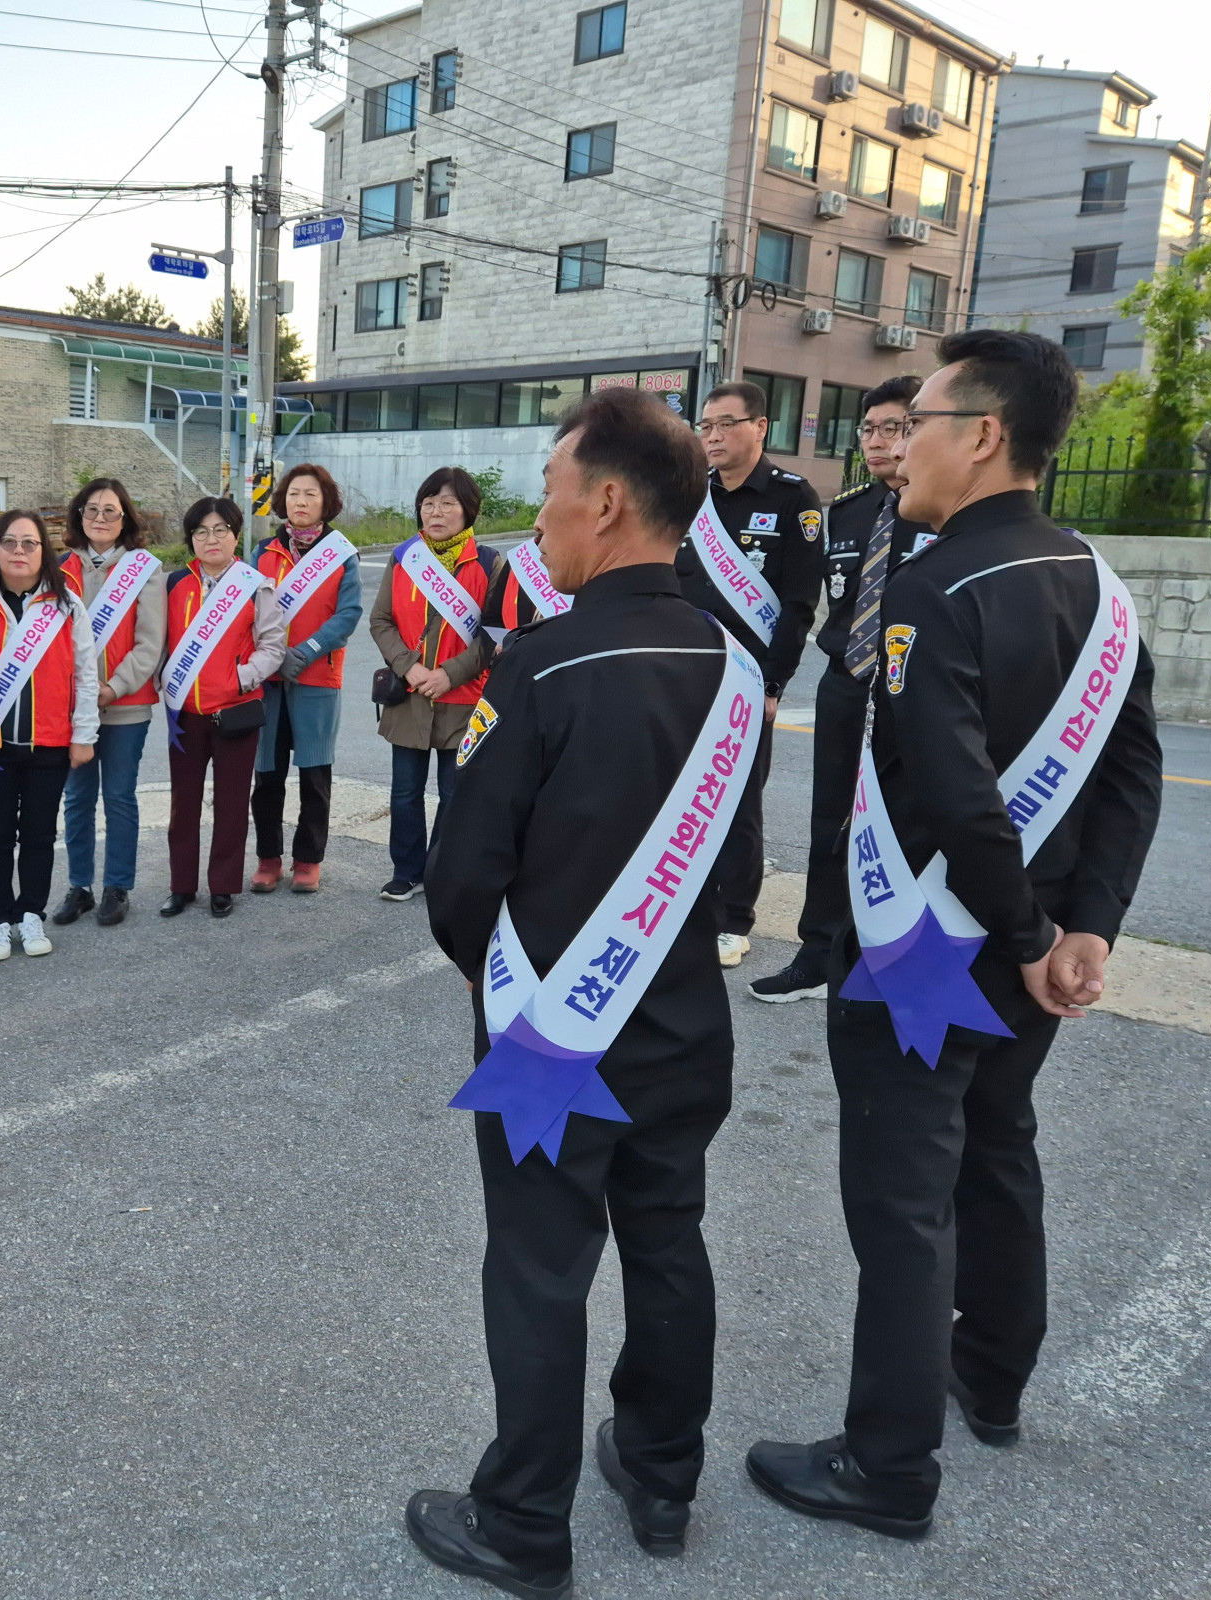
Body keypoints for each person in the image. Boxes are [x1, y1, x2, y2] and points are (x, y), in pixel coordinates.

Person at [747, 330, 1162, 1538]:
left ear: (983, 435)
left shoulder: (932, 586)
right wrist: (1087, 929)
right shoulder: (1097, 580)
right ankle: (990, 1378)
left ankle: (886, 1465)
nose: (898, 444)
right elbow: (1135, 772)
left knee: (905, 1198)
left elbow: (948, 786)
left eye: (917, 418)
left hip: (930, 948)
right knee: (998, 1149)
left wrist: (1034, 929)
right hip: (1036, 953)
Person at [406, 388, 751, 1597]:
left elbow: (461, 878)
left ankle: (523, 1522)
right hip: (682, 1026)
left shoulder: (541, 663)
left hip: (555, 1035)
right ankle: (661, 1476)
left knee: (541, 1268)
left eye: (551, 492)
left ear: (607, 502)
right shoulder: (732, 661)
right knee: (668, 1244)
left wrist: (496, 983)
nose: (538, 520)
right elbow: (734, 862)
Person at [751, 376, 928, 1004]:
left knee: (909, 822)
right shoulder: (849, 511)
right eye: (869, 429)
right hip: (847, 684)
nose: (878, 441)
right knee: (831, 818)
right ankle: (819, 950)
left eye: (896, 428)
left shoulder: (944, 514)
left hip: (914, 692)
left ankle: (894, 951)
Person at [674, 380, 826, 967]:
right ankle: (685, 903)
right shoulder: (692, 496)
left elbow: (797, 604)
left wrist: (772, 683)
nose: (712, 435)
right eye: (705, 425)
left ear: (759, 427)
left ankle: (733, 920)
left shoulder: (795, 498)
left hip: (746, 682)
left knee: (736, 802)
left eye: (725, 424)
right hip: (687, 673)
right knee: (681, 793)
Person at [0, 510, 99, 962]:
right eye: (10, 542)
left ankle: (30, 912)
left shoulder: (67, 604)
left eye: (29, 543)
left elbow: (86, 674)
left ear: (43, 552)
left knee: (38, 834)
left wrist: (84, 734)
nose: (19, 551)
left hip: (49, 744)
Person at [369, 466, 498, 903]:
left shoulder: (488, 563)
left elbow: (493, 635)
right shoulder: (405, 557)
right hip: (410, 696)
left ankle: (442, 869)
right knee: (404, 792)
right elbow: (381, 620)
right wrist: (409, 668)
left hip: (463, 697)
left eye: (447, 503)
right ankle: (406, 871)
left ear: (468, 511)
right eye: (428, 503)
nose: (436, 512)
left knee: (453, 793)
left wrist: (449, 674)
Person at [160, 497, 286, 918]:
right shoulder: (174, 584)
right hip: (185, 714)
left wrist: (240, 678)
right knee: (184, 803)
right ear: (190, 540)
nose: (210, 539)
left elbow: (273, 646)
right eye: (200, 532)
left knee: (231, 803)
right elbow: (162, 645)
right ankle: (181, 885)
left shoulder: (254, 584)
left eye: (220, 531)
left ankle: (223, 885)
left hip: (235, 712)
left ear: (236, 536)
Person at [52, 478, 166, 929]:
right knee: (76, 799)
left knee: (119, 796)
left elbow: (150, 643)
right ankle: (79, 886)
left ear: (125, 520)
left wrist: (112, 687)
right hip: (71, 710)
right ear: (80, 516)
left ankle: (118, 886)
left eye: (110, 511)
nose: (100, 518)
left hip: (126, 705)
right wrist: (77, 695)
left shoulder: (145, 570)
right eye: (92, 510)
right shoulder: (57, 570)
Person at [249, 463, 362, 895]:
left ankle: (308, 859)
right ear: (283, 500)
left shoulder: (342, 553)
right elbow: (248, 612)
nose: (301, 501)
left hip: (317, 675)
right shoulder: (262, 553)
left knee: (315, 773)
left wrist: (305, 651)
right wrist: (271, 659)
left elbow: (348, 613)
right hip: (269, 678)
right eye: (294, 493)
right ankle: (267, 858)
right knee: (268, 772)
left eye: (310, 494)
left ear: (325, 502)